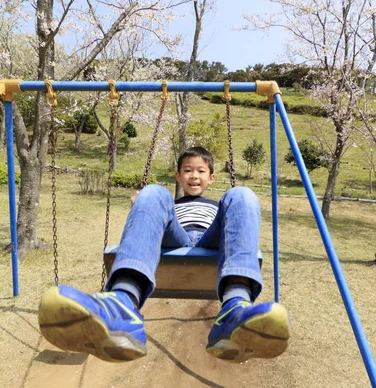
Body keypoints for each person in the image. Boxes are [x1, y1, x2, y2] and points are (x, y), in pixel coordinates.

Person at [39, 146, 290, 364]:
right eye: (188, 170)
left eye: (201, 171)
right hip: (176, 240)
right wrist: (143, 203)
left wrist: (228, 210)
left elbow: (232, 226)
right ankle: (123, 304)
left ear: (211, 178)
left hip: (210, 240)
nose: (194, 176)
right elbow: (156, 221)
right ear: (178, 175)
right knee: (153, 192)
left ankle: (234, 309)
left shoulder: (217, 206)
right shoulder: (170, 204)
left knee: (242, 194)